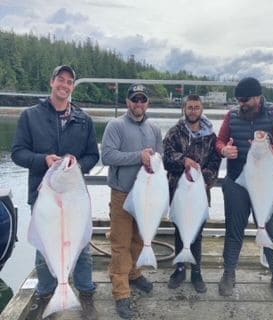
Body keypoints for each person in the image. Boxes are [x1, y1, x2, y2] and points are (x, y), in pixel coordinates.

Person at [11, 65, 99, 319]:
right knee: (44, 247)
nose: (65, 85)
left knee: (82, 247)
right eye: (61, 79)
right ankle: (47, 293)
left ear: (72, 87)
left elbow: (93, 155)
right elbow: (18, 153)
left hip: (74, 197)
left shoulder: (84, 119)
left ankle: (85, 292)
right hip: (44, 197)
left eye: (70, 81)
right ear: (52, 82)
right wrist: (42, 160)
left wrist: (77, 165)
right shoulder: (30, 116)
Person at [216, 77, 273, 304]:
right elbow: (219, 141)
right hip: (237, 182)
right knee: (233, 230)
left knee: (272, 230)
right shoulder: (232, 116)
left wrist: (263, 148)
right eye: (238, 99)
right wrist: (224, 150)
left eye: (245, 99)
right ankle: (229, 273)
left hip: (268, 183)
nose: (241, 103)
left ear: (258, 97)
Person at [101, 83, 162, 319]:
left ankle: (134, 273)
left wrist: (154, 159)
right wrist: (139, 157)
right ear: (128, 102)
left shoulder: (154, 128)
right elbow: (107, 155)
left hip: (147, 194)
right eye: (134, 99)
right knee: (120, 244)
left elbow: (160, 155)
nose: (138, 103)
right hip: (122, 193)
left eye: (142, 99)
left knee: (140, 239)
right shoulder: (115, 126)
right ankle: (121, 292)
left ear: (148, 103)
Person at [163, 94, 221, 293]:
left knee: (197, 233)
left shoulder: (211, 137)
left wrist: (200, 177)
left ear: (202, 109)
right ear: (184, 109)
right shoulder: (174, 132)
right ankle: (179, 270)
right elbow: (166, 158)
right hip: (178, 191)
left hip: (200, 192)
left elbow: (215, 164)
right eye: (189, 107)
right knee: (180, 230)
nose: (193, 110)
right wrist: (185, 162)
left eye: (196, 107)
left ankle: (196, 272)